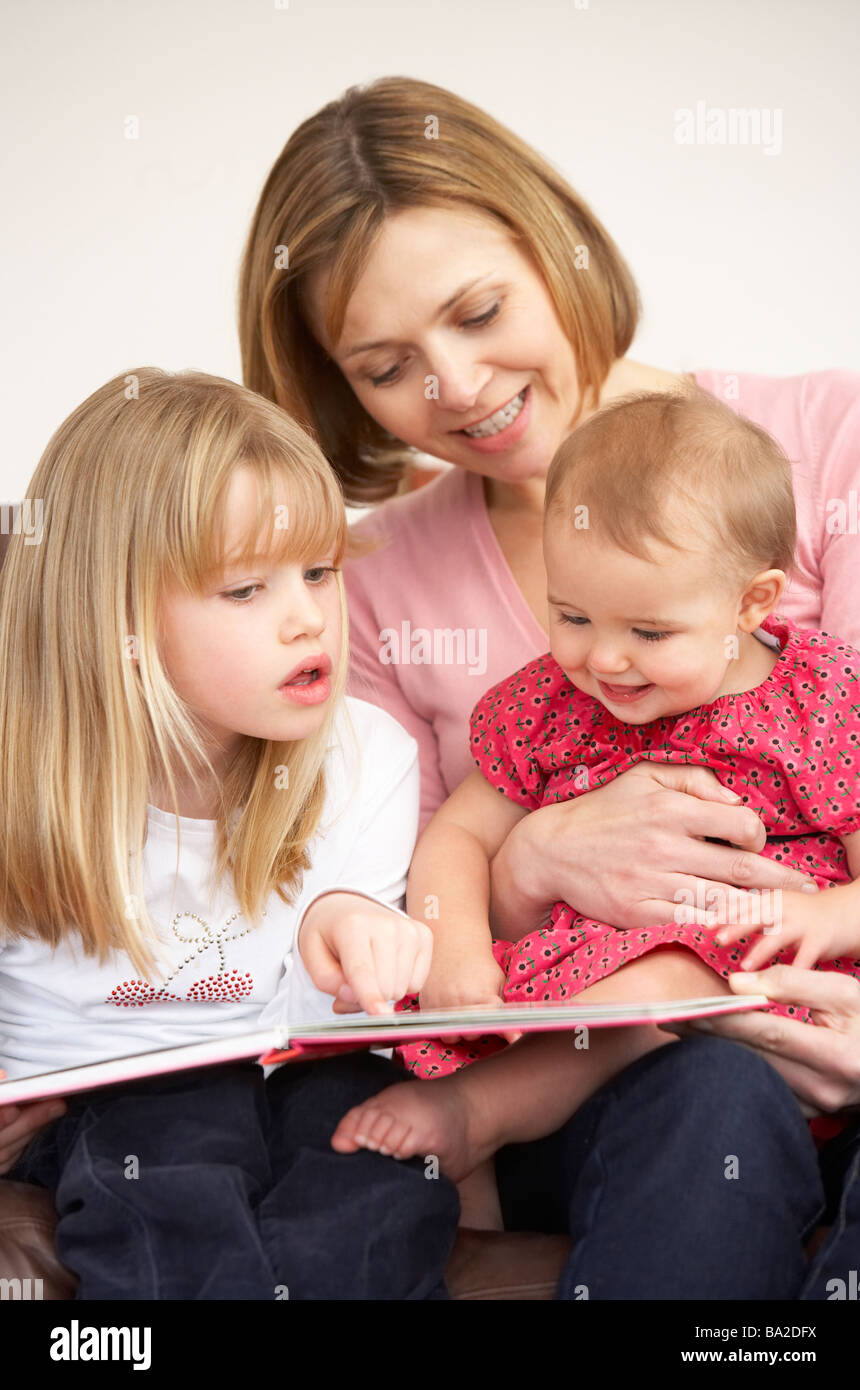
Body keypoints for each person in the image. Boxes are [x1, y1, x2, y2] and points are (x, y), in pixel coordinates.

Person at [231, 74, 860, 1297]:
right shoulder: (366, 578)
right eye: (385, 365)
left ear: (554, 242)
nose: (458, 386)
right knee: (704, 1093)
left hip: (821, 1000)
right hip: (612, 1071)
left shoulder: (827, 443)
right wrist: (533, 861)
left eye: (478, 310)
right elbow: (389, 901)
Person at [328, 387, 860, 1196]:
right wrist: (461, 949)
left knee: (672, 980)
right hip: (567, 993)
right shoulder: (548, 704)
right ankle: (469, 1202)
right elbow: (460, 838)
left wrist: (822, 915)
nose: (604, 660)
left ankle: (477, 1114)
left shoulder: (821, 697)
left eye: (649, 633)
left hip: (756, 989)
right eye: (572, 616)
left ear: (751, 601)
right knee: (451, 1033)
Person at [0, 366, 459, 1300]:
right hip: (105, 1096)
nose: (307, 618)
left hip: (294, 1078)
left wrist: (368, 936)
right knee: (177, 1141)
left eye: (320, 572)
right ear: (117, 620)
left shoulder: (368, 754)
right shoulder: (22, 777)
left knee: (378, 1173)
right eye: (246, 589)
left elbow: (334, 1007)